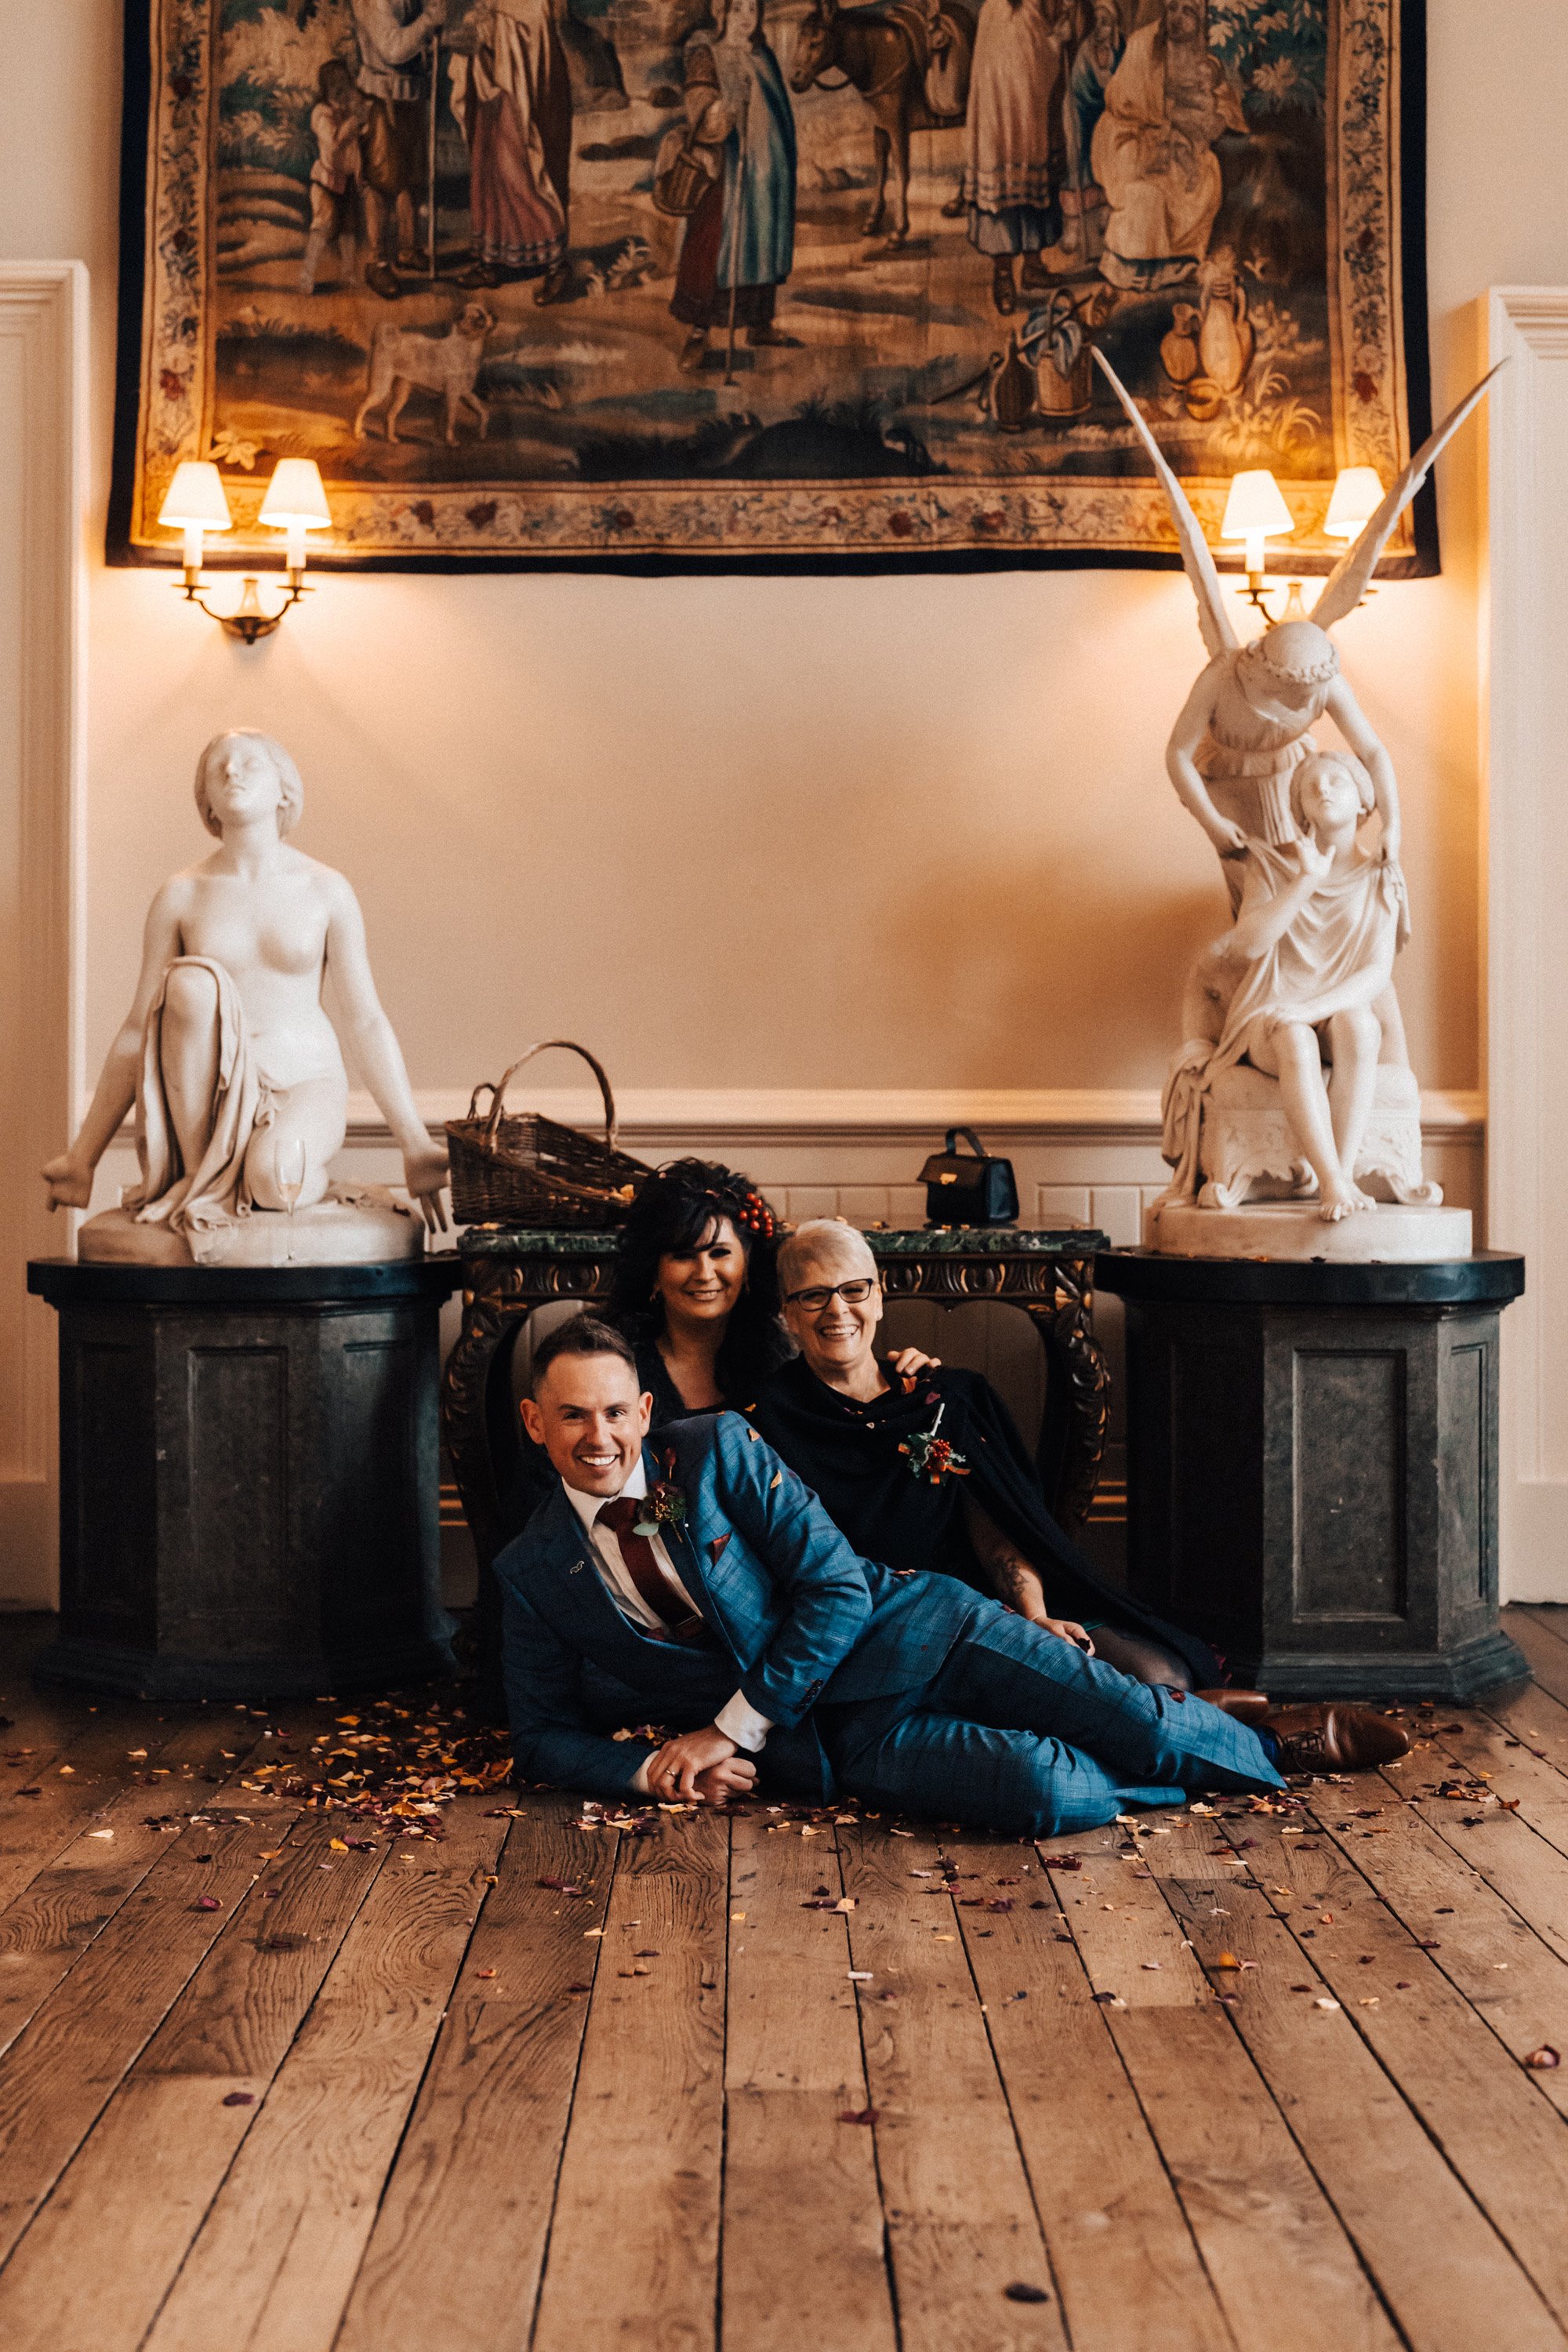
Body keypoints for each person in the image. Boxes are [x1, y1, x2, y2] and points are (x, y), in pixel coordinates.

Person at [498, 1316, 1406, 1828]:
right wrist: (648, 1770)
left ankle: (1268, 1745)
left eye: (615, 1412)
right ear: (537, 1424)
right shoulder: (531, 1570)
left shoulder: (714, 1454)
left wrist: (729, 1731)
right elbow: (539, 1736)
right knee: (1050, 1793)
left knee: (1118, 1713)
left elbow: (835, 1588)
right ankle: (1186, 1725)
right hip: (834, 1748)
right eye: (572, 1417)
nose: (598, 1438)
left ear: (644, 1410)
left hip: (920, 1635)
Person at [749, 1218, 1221, 1688]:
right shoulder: (765, 1420)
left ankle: (1217, 1739)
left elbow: (996, 1535)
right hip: (874, 1628)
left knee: (1162, 1674)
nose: (837, 1310)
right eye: (813, 1295)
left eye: (853, 1289)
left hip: (981, 1602)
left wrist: (1035, 1618)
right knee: (1069, 1693)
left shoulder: (947, 1398)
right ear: (787, 1314)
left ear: (878, 1298)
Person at [40, 731, 448, 1253]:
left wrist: (414, 1143)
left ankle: (281, 1175)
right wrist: (83, 1157)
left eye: (250, 763)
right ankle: (198, 1173)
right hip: (207, 1105)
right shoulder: (181, 894)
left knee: (274, 1182)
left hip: (305, 1080)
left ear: (283, 789)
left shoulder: (325, 889)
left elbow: (365, 1020)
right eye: (219, 767)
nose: (233, 772)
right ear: (206, 800)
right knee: (188, 984)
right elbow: (140, 1027)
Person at [1163, 750, 1407, 1221]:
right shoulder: (1272, 866)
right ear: (1299, 809)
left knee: (1360, 1025)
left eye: (1337, 780)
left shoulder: (1381, 875)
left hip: (1332, 1010)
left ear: (1363, 801)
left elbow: (1376, 973)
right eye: (1311, 786)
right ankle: (1332, 1183)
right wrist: (1304, 881)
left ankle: (1344, 1171)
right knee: (1294, 1036)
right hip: (1269, 1015)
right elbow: (1249, 946)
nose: (1324, 789)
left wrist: (1312, 1007)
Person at [670, 0, 797, 375]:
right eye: (738, 8)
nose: (746, 18)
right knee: (714, 245)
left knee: (762, 241)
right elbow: (698, 102)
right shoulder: (706, 54)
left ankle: (759, 324)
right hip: (725, 171)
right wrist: (719, 112)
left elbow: (780, 115)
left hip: (765, 174)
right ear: (720, 12)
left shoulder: (764, 57)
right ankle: (698, 331)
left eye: (752, 10)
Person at [1091, 0, 1242, 293]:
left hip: (1179, 139)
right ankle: (1133, 269)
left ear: (1200, 17)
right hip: (1132, 136)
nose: (1177, 18)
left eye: (1188, 12)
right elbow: (1125, 101)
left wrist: (1217, 117)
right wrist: (1172, 111)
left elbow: (1223, 99)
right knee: (1146, 192)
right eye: (1173, 8)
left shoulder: (1205, 51)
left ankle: (1180, 263)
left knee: (1204, 173)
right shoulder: (1144, 44)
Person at [449, 0, 573, 304]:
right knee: (487, 174)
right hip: (488, 86)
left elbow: (535, 25)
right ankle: (491, 261)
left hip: (520, 94)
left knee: (521, 173)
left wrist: (490, 29)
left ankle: (557, 264)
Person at [962, 0, 1069, 317]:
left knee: (1037, 185)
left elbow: (1046, 58)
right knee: (1002, 192)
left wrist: (1057, 37)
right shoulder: (993, 14)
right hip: (998, 124)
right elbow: (988, 74)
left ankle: (1033, 266)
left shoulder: (1036, 8)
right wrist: (1054, 43)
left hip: (1031, 117)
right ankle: (1003, 275)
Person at [352, 0, 448, 300]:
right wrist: (430, 19)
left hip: (411, 93)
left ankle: (408, 249)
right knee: (381, 181)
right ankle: (378, 261)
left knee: (409, 178)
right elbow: (392, 49)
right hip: (382, 97)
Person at [300, 60, 368, 295]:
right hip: (326, 181)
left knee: (349, 228)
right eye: (336, 86)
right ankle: (307, 275)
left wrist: (359, 171)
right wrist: (354, 122)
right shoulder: (322, 113)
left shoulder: (346, 112)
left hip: (346, 180)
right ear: (327, 88)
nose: (342, 90)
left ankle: (348, 274)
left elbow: (355, 148)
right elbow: (334, 142)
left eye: (345, 84)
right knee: (322, 226)